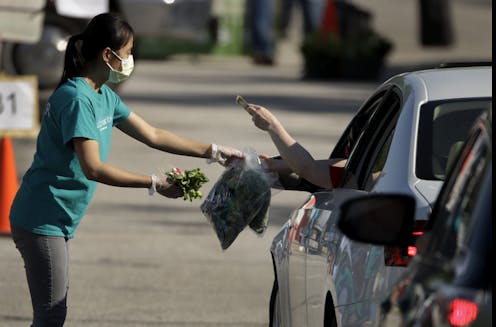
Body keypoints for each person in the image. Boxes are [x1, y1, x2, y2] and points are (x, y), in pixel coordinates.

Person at [9, 13, 242, 327]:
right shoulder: (77, 99)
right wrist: (155, 183)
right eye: (129, 52)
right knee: (51, 316)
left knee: (51, 313)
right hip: (42, 218)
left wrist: (214, 151)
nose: (131, 59)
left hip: (58, 218)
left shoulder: (103, 95)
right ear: (109, 55)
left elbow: (154, 135)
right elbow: (93, 168)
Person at [243, 102, 346, 189]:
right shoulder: (356, 162)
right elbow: (328, 166)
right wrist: (262, 164)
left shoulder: (354, 172)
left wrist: (272, 126)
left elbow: (309, 169)